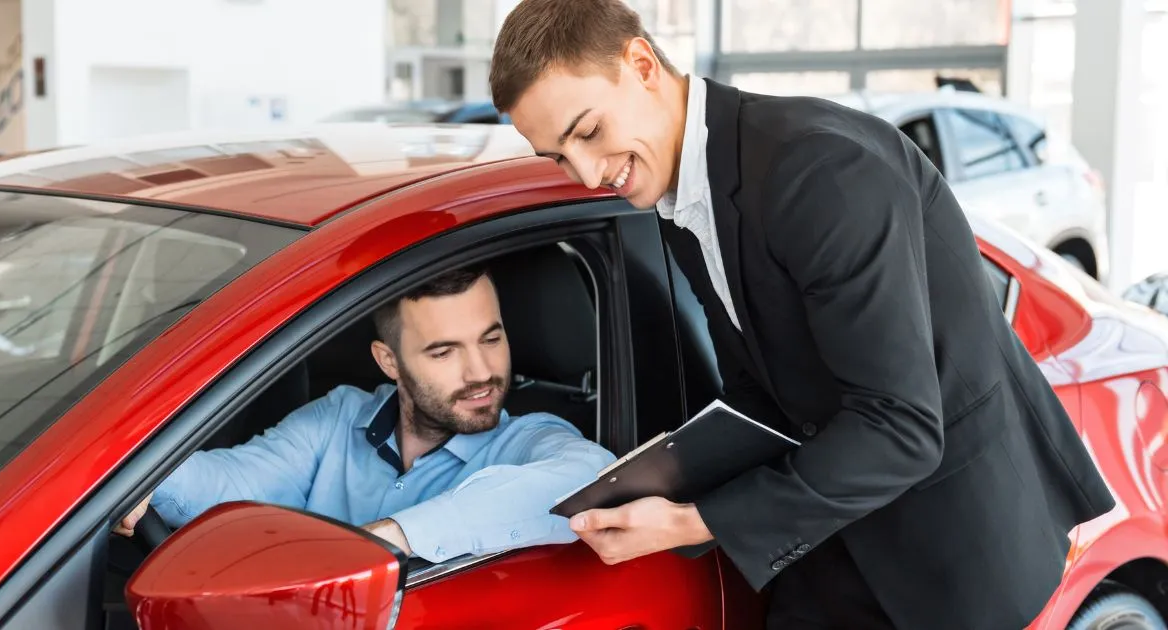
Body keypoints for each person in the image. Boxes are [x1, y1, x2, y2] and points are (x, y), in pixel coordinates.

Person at [488, 1, 1116, 628]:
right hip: (831, 526)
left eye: (589, 132)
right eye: (561, 157)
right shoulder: (679, 192)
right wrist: (661, 474)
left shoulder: (817, 170)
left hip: (951, 546)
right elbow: (761, 390)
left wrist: (691, 522)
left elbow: (901, 427)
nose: (590, 173)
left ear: (643, 65)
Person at [114, 265, 616, 563]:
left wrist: (388, 538)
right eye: (444, 353)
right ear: (389, 361)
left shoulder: (527, 442)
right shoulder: (337, 419)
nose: (482, 371)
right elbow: (231, 481)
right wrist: (146, 479)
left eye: (491, 339)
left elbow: (589, 477)